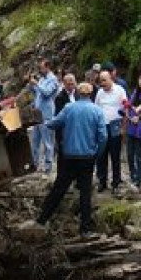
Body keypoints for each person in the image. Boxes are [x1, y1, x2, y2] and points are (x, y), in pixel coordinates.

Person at [35, 82, 107, 235]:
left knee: (59, 189)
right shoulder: (98, 111)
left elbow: (54, 124)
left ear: (78, 93)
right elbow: (103, 137)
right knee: (85, 192)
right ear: (91, 94)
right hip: (87, 157)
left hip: (69, 156)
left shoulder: (69, 108)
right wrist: (97, 153)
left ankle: (42, 218)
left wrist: (42, 122)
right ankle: (85, 228)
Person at [94, 69, 128, 192]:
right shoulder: (99, 93)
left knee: (115, 156)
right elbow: (96, 109)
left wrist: (124, 128)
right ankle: (102, 182)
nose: (102, 83)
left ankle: (116, 182)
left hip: (115, 126)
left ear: (111, 79)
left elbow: (126, 109)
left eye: (104, 80)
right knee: (101, 155)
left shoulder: (120, 90)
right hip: (102, 127)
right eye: (100, 80)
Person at [28, 59, 60, 173]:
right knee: (35, 141)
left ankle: (48, 167)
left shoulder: (53, 80)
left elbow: (46, 93)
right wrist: (32, 85)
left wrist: (37, 84)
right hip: (37, 114)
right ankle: (35, 165)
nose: (40, 70)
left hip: (47, 114)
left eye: (41, 68)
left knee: (47, 142)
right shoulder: (42, 79)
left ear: (47, 67)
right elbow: (37, 93)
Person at [125, 72, 141, 191]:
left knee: (138, 156)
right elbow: (130, 104)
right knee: (129, 154)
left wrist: (137, 114)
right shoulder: (135, 92)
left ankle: (138, 181)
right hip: (131, 126)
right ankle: (133, 176)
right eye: (140, 79)